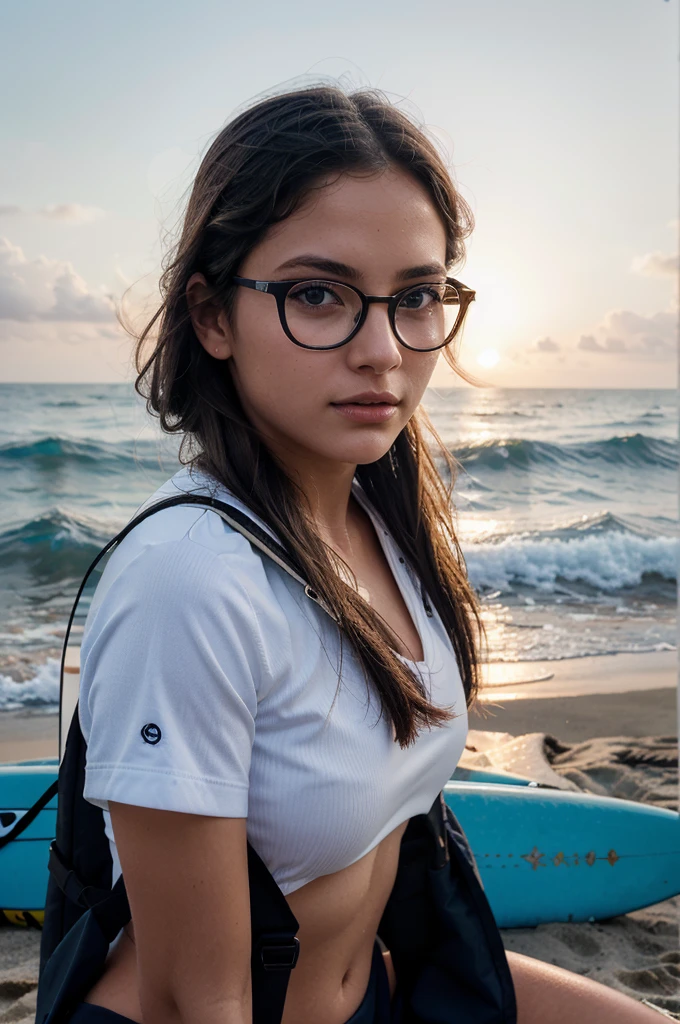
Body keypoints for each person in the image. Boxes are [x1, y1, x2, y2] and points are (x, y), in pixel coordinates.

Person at [70, 84, 662, 1024]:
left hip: (388, 991)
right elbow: (198, 1002)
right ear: (212, 316)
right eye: (318, 295)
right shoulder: (191, 578)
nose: (384, 349)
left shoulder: (378, 518)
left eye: (417, 297)